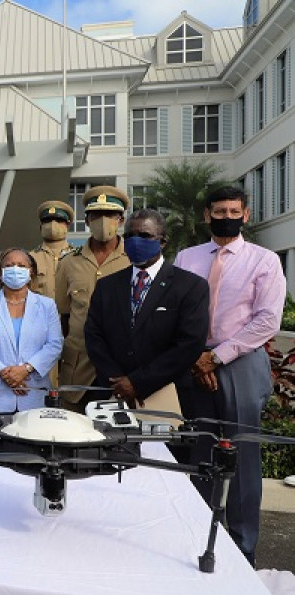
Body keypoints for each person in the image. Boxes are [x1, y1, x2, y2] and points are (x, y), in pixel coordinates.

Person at [175, 186, 286, 566]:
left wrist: (217, 357)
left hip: (239, 360)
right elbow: (176, 312)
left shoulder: (265, 260)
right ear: (207, 215)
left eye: (234, 210)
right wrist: (197, 359)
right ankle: (199, 538)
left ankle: (242, 549)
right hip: (194, 362)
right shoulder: (186, 258)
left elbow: (268, 319)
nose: (227, 215)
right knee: (200, 453)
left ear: (246, 214)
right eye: (219, 210)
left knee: (240, 459)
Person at [84, 209, 209, 410]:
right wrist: (118, 383)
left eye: (144, 236)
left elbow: (190, 344)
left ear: (162, 241)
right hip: (114, 393)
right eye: (129, 236)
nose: (135, 241)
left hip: (167, 394)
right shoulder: (107, 286)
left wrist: (138, 382)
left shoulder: (191, 286)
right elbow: (94, 336)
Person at [54, 185, 130, 411]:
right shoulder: (69, 263)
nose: (103, 221)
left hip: (121, 366)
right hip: (79, 368)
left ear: (121, 220)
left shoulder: (132, 260)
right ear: (86, 221)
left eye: (110, 215)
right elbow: (64, 315)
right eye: (96, 215)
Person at [0, 248, 62, 418]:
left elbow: (54, 344)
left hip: (34, 397)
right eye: (9, 265)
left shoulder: (47, 306)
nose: (15, 269)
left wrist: (25, 369)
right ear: (1, 271)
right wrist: (5, 373)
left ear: (31, 271)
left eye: (21, 265)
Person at [29, 200, 76, 299]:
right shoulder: (30, 258)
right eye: (47, 221)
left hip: (69, 314)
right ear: (40, 227)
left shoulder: (78, 256)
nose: (52, 225)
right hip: (40, 313)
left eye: (58, 221)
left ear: (67, 226)